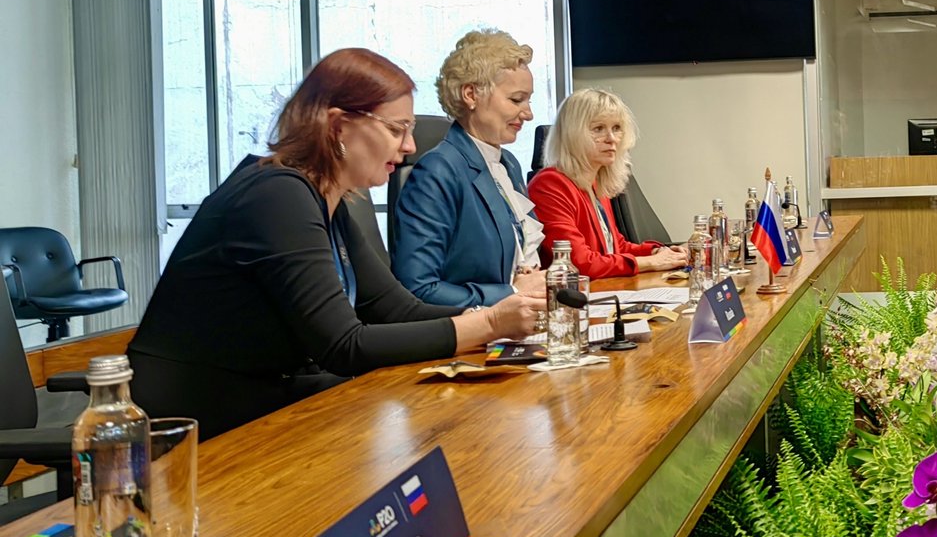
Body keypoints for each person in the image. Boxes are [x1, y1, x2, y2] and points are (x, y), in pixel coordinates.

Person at [129, 48, 543, 439]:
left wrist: (507, 320)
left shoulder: (327, 198)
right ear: (340, 126)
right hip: (195, 420)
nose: (410, 146)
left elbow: (396, 310)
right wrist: (488, 324)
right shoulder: (276, 195)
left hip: (268, 398)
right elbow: (343, 345)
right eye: (398, 129)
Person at [393, 29, 549, 307]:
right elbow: (417, 289)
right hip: (472, 337)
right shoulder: (437, 172)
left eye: (528, 100)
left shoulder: (508, 163)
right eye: (516, 100)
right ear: (470, 94)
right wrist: (512, 292)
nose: (528, 113)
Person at [527, 89, 688, 278]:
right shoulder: (550, 184)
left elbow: (615, 247)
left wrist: (657, 253)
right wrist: (650, 262)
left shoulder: (596, 182)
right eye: (598, 129)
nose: (611, 138)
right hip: (576, 299)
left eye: (617, 128)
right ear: (572, 133)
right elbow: (579, 264)